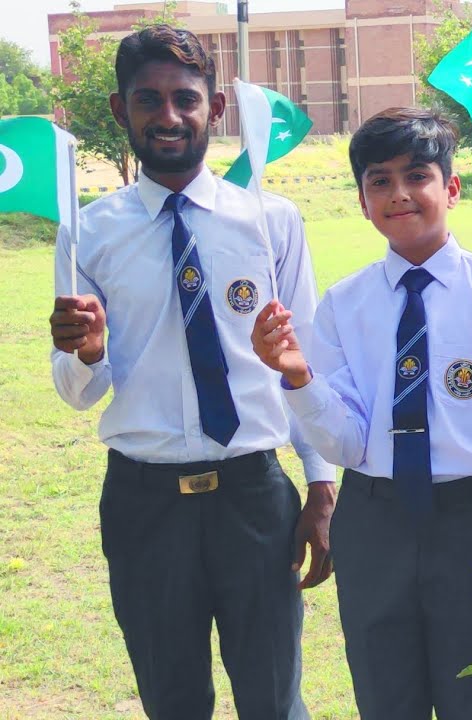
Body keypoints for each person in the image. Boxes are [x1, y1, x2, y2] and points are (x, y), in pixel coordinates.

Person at [46, 25, 334, 719]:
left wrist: (322, 487)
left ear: (217, 108)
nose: (168, 116)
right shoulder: (89, 232)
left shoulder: (272, 222)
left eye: (186, 99)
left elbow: (308, 364)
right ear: (122, 111)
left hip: (253, 495)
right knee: (172, 702)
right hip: (143, 505)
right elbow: (79, 393)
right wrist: (84, 353)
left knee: (273, 697)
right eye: (149, 100)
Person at [251, 108, 472, 720]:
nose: (399, 194)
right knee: (384, 698)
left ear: (450, 187)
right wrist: (298, 376)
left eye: (416, 175)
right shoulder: (344, 305)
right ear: (363, 202)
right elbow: (345, 443)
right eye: (379, 181)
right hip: (374, 522)